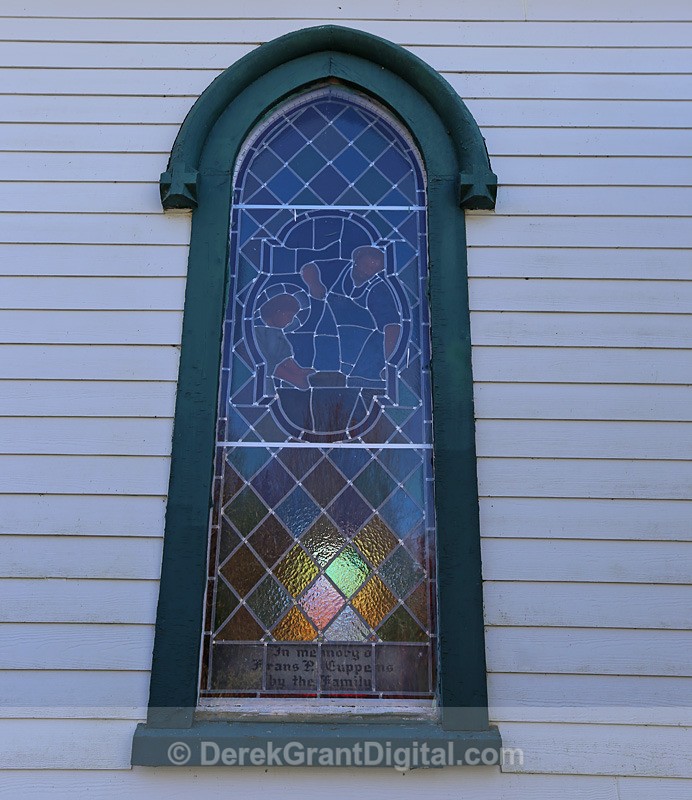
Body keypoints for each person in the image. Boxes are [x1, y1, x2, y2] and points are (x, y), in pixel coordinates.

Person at [253, 293, 315, 391]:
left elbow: (283, 356)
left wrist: (298, 371)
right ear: (277, 312)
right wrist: (295, 374)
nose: (290, 321)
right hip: (264, 378)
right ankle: (295, 376)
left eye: (293, 317)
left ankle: (295, 376)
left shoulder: (276, 333)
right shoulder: (263, 332)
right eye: (289, 315)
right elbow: (274, 357)